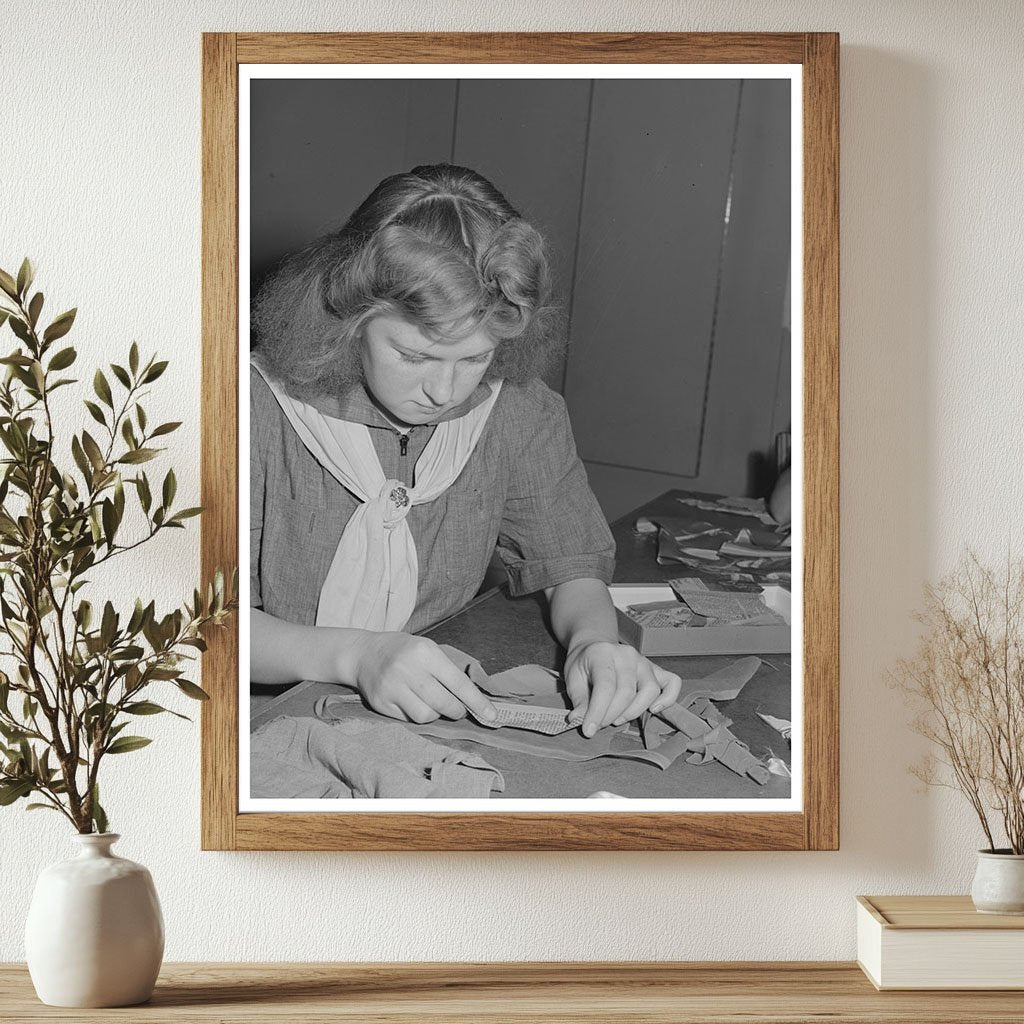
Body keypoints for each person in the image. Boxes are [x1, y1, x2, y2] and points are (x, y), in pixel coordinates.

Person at [250, 164, 681, 739]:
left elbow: (569, 563)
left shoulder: (517, 409)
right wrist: (357, 657)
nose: (445, 392)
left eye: (475, 358)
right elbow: (194, 627)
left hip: (416, 710)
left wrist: (594, 643)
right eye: (414, 355)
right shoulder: (249, 407)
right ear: (349, 321)